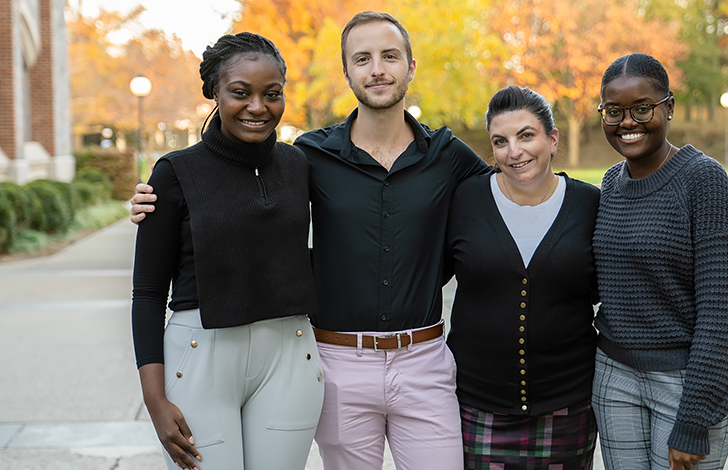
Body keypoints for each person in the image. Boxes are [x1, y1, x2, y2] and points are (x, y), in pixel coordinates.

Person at [131, 12, 490, 470]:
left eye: (389, 56)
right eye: (362, 58)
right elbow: (153, 284)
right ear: (346, 72)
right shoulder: (306, 157)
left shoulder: (436, 155)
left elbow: (500, 195)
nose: (376, 69)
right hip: (284, 356)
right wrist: (152, 201)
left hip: (384, 358)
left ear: (410, 66)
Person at [131, 32, 323, 470]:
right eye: (241, 92)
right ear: (213, 92)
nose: (258, 107)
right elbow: (147, 293)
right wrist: (154, 399)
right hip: (199, 357)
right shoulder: (175, 173)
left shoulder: (299, 166)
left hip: (290, 356)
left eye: (272, 94)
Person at [591, 53, 728, 470]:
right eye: (614, 111)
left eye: (643, 108)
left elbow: (725, 317)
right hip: (614, 378)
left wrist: (695, 421)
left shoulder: (703, 180)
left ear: (670, 107)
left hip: (685, 385)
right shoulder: (610, 183)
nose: (628, 121)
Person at [445, 85, 599, 469]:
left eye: (526, 135)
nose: (514, 152)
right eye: (501, 141)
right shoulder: (463, 200)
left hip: (567, 408)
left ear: (552, 139)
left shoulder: (590, 204)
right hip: (478, 407)